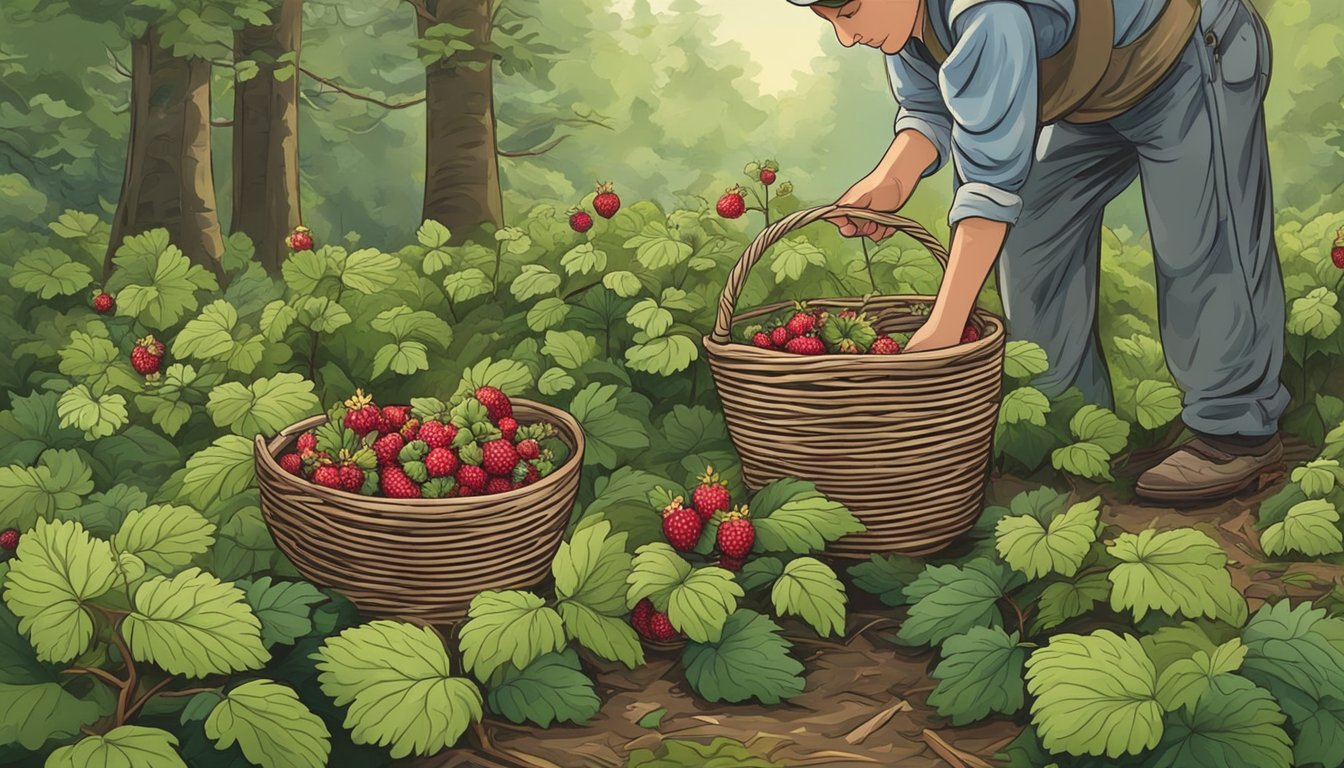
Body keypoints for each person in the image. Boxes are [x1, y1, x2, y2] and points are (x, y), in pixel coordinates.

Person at [786, 0, 1288, 503]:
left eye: (848, 14)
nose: (846, 38)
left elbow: (989, 185)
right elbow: (931, 105)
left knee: (1200, 238)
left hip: (1183, 57)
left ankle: (1235, 429)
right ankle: (1070, 425)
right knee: (1031, 238)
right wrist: (892, 179)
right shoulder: (901, 18)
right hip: (1087, 98)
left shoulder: (987, 12)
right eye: (829, 21)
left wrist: (942, 330)